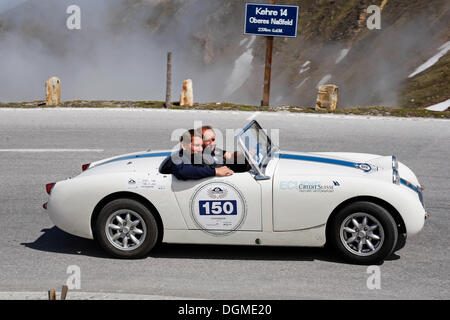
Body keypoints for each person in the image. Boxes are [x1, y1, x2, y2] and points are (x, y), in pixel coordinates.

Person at [164, 128, 234, 180]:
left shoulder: (194, 155)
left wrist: (225, 154)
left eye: (201, 145)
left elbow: (211, 152)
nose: (201, 149)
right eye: (197, 145)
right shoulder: (177, 158)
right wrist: (215, 171)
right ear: (184, 145)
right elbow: (184, 171)